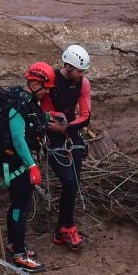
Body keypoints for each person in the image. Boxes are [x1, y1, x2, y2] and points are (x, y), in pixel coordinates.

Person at [29, 45, 94, 251]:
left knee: (73, 183)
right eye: (79, 71)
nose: (82, 75)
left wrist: (67, 126)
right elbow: (38, 107)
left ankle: (63, 229)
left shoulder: (82, 83)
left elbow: (86, 116)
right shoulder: (51, 80)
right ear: (67, 66)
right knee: (69, 181)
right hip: (51, 136)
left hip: (70, 133)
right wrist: (47, 125)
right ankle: (67, 227)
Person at [0, 88, 42, 271]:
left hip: (9, 166)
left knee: (17, 207)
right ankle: (19, 254)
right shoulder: (17, 109)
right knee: (20, 208)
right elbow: (18, 139)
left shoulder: (14, 105)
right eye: (48, 88)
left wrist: (49, 117)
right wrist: (32, 166)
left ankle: (14, 244)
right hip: (17, 168)